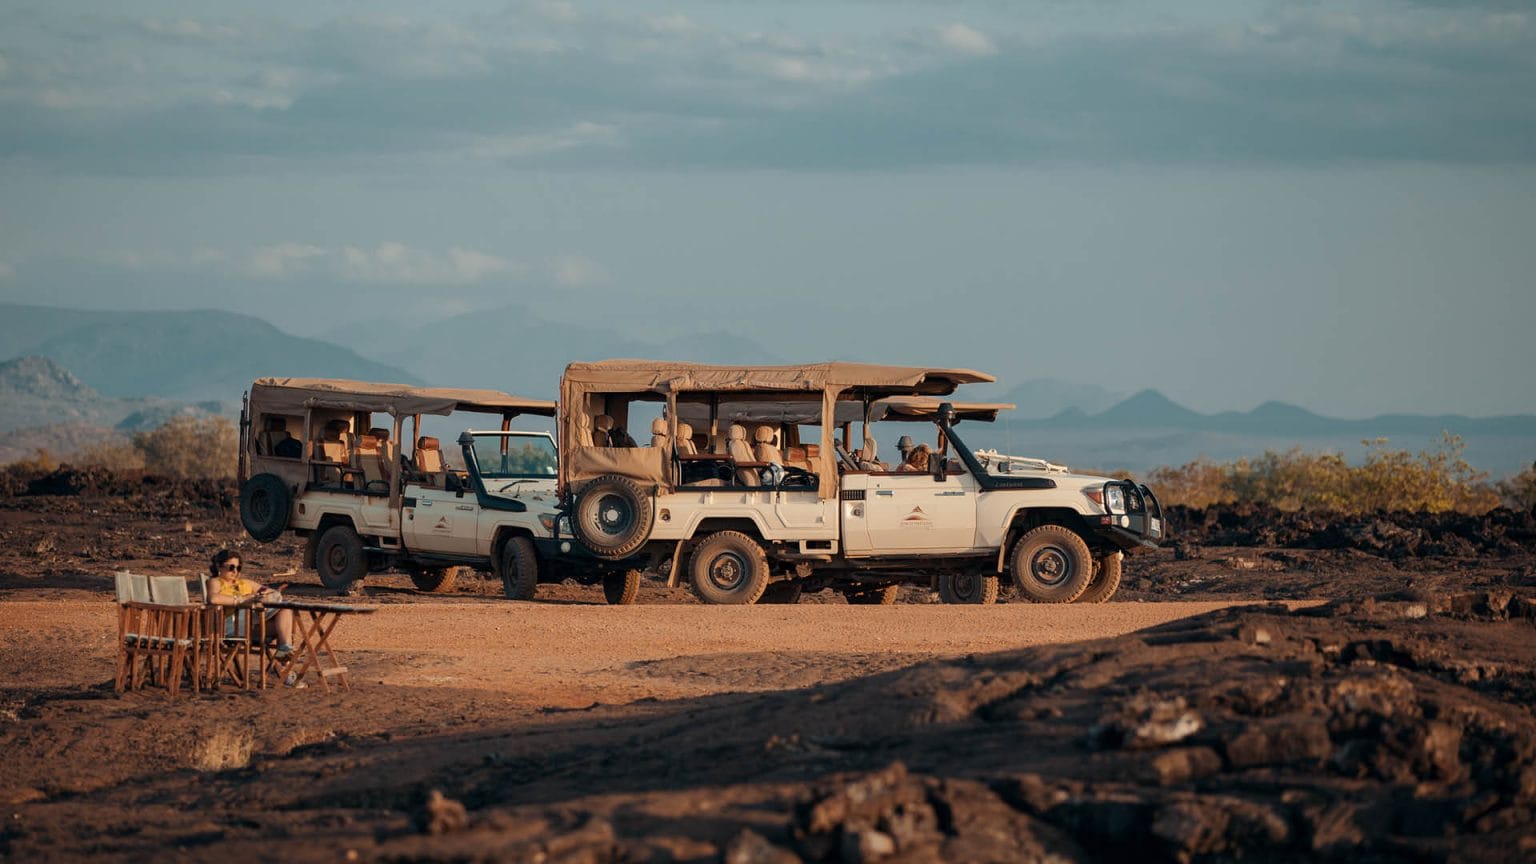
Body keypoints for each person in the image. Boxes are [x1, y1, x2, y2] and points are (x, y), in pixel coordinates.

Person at [206, 549, 295, 660]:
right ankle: (284, 657)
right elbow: (213, 598)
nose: (235, 572)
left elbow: (270, 592)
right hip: (231, 626)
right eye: (231, 567)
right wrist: (243, 600)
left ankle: (284, 648)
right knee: (282, 608)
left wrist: (262, 597)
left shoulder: (246, 583)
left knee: (285, 610)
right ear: (219, 566)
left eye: (238, 568)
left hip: (250, 626)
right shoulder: (216, 582)